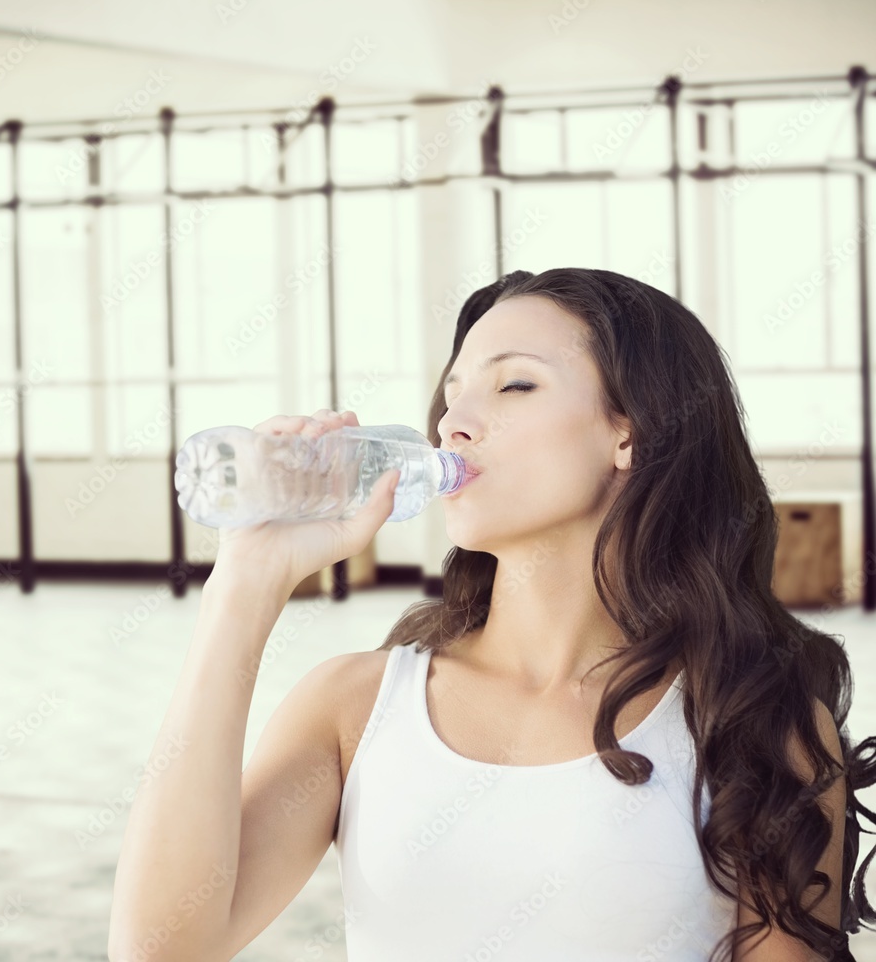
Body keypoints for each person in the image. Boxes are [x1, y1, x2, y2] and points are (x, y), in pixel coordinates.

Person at [107, 267, 876, 962]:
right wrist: (243, 588)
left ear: (628, 433)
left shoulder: (756, 728)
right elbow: (159, 950)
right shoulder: (353, 709)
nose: (453, 421)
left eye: (514, 386)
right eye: (453, 391)